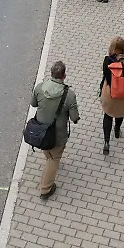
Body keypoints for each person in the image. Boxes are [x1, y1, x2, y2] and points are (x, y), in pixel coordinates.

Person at [30, 60, 80, 200]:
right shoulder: (69, 95)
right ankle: (45, 189)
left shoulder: (40, 88)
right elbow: (74, 117)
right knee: (54, 159)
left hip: (41, 131)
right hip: (58, 134)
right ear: (64, 76)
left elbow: (33, 104)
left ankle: (49, 157)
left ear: (51, 74)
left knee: (47, 148)